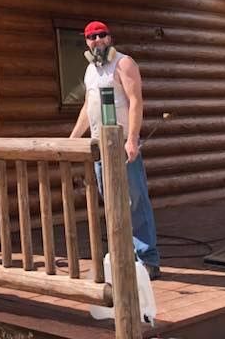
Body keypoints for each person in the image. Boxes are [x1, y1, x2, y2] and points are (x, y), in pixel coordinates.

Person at [69, 21, 161, 280]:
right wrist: (73, 137)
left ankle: (148, 259)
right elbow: (88, 107)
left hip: (122, 146)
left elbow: (135, 102)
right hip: (101, 147)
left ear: (110, 37)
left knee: (134, 200)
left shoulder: (124, 63)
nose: (96, 40)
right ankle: (126, 256)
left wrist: (132, 139)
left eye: (101, 35)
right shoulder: (90, 71)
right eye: (91, 37)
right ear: (86, 42)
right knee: (111, 201)